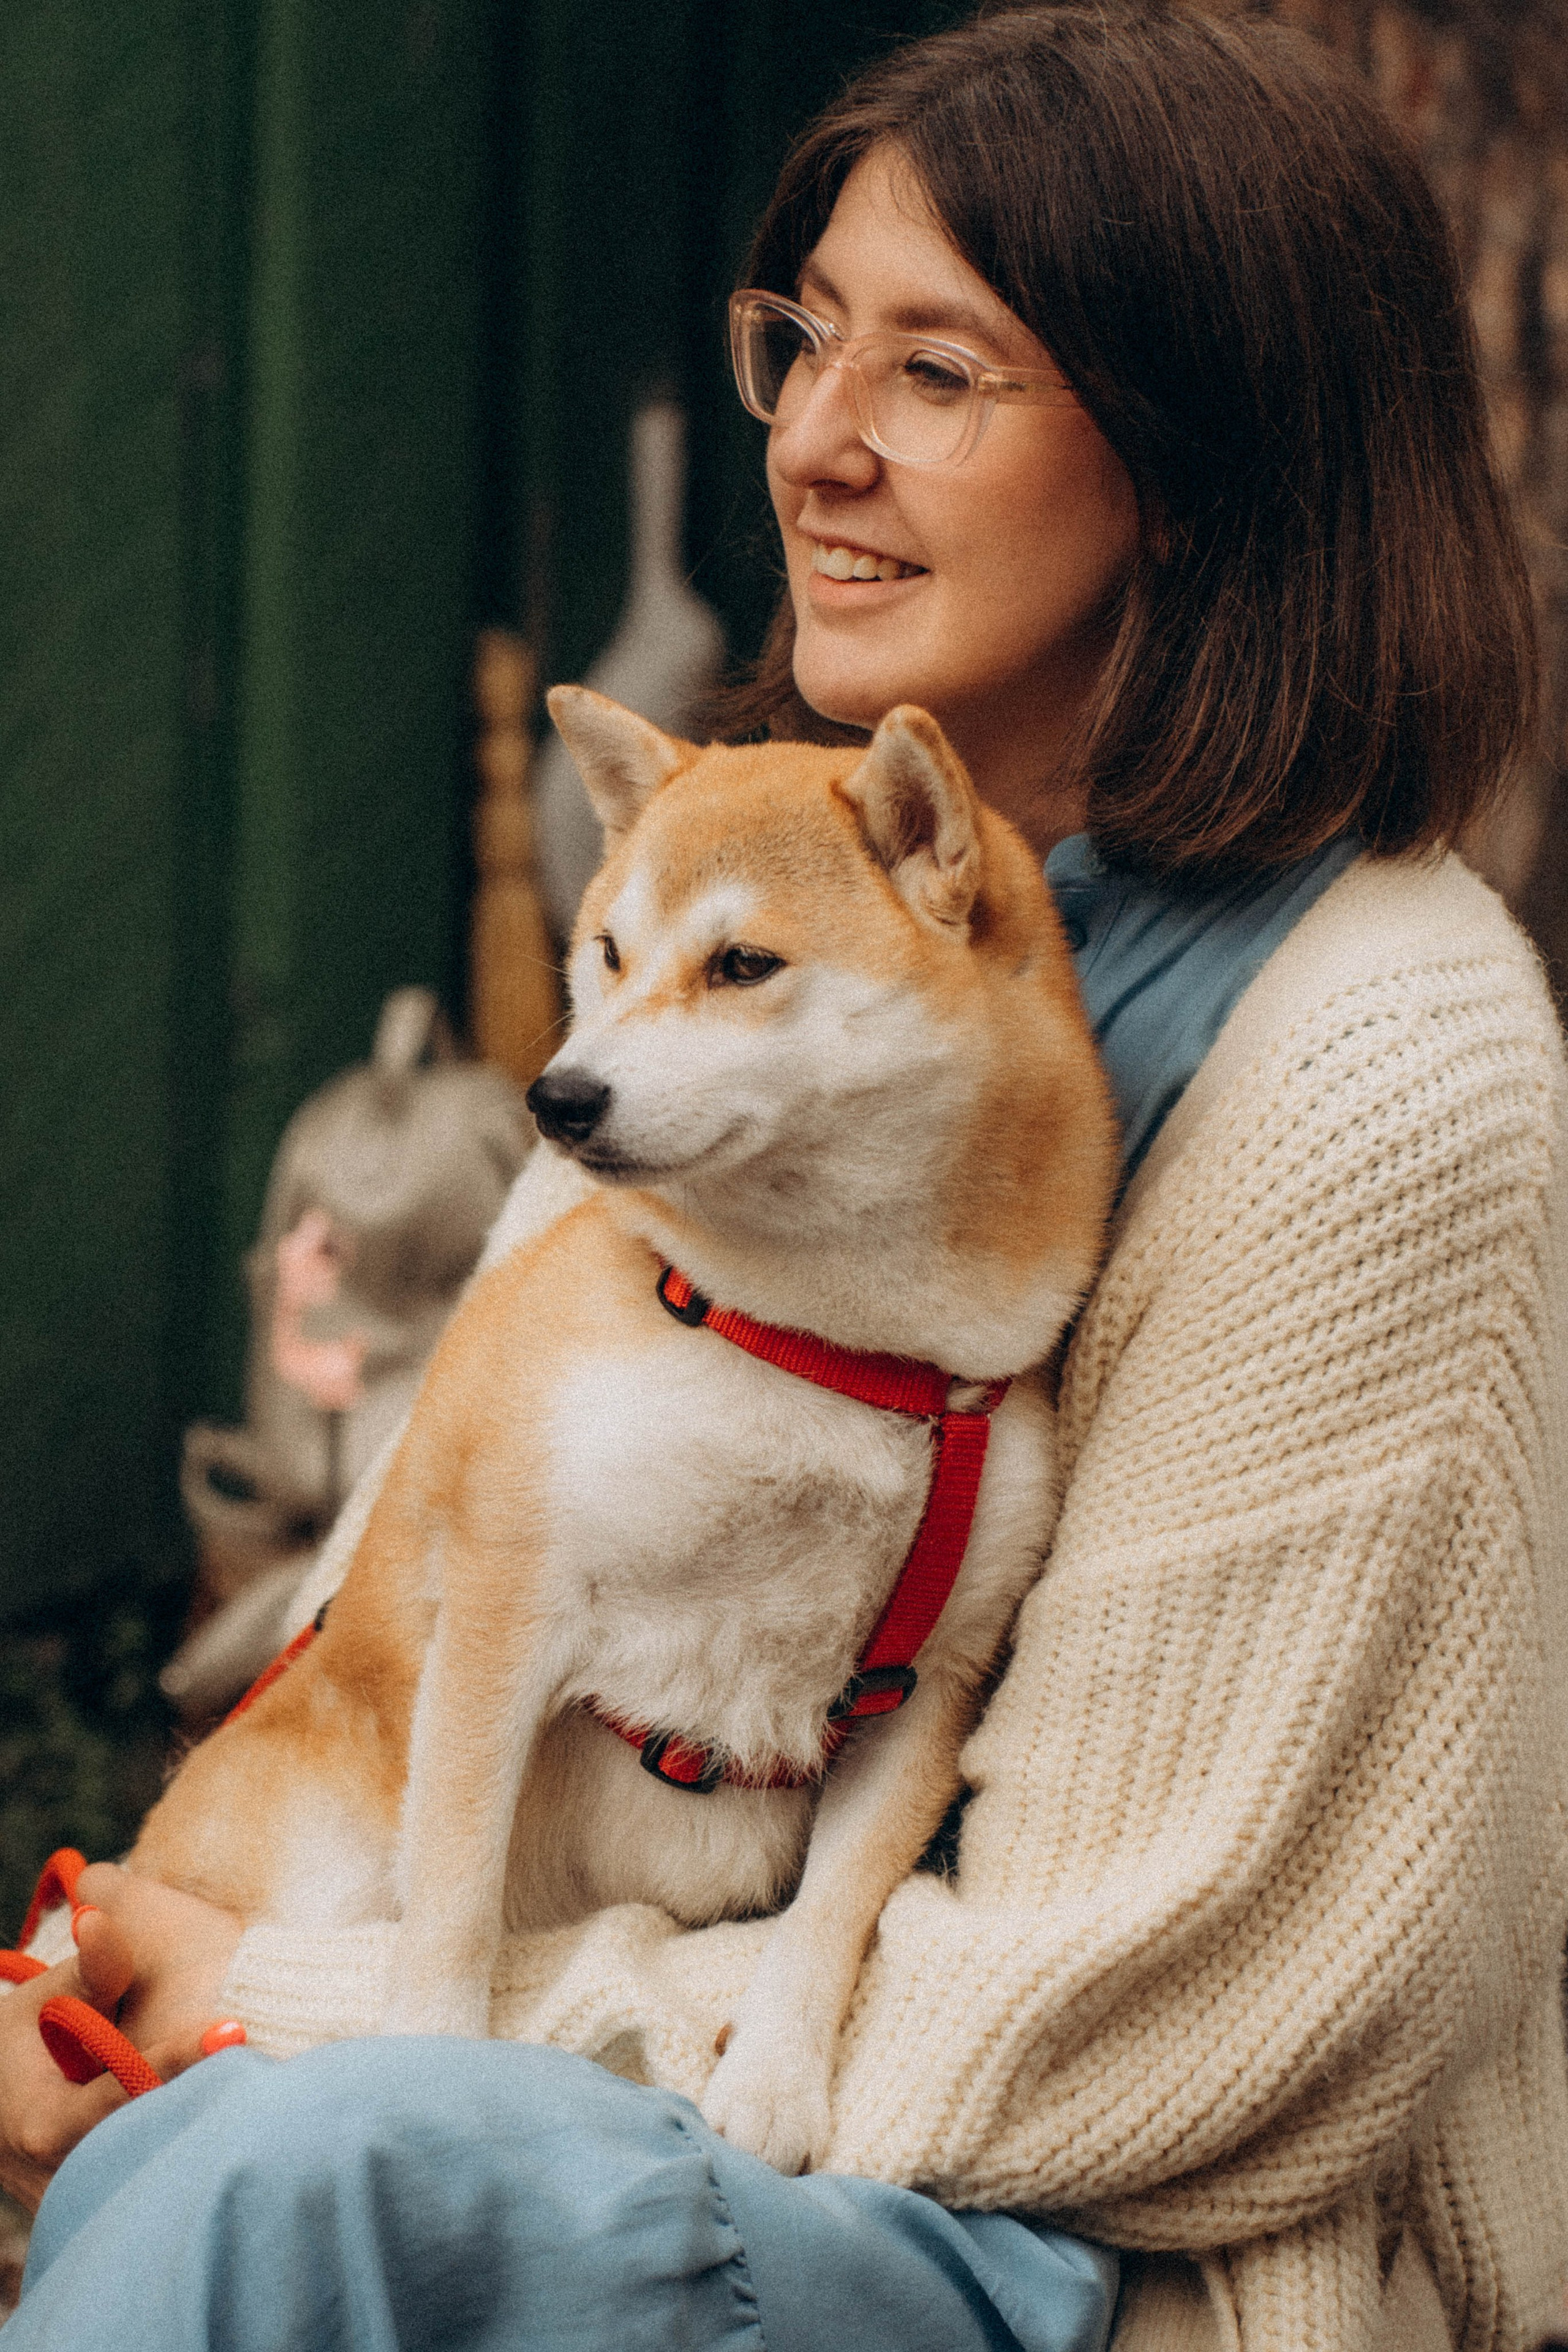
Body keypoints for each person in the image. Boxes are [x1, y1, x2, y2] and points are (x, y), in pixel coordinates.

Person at [4, 5, 1565, 2345]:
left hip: (1066, 2237)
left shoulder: (1380, 1066)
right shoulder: (760, 879)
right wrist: (128, 1944)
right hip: (625, 2050)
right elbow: (403, 1622)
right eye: (804, 340)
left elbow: (1158, 2022)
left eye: (939, 374)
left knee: (295, 2176)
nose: (816, 445)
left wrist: (302, 2005)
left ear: (1210, 449)